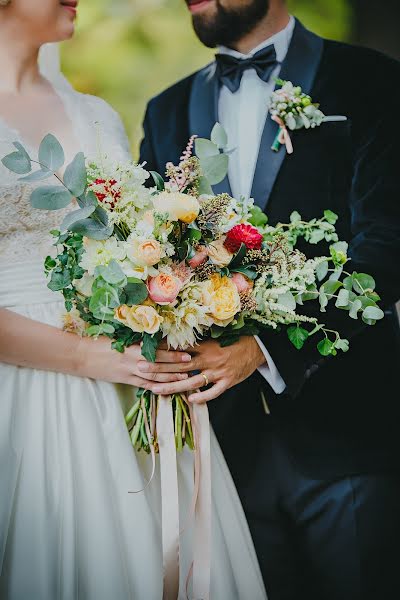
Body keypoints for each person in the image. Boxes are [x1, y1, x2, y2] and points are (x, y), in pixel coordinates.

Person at [0, 1, 268, 599]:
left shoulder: (95, 115)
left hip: (136, 384)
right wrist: (87, 358)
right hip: (23, 388)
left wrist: (182, 289)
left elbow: (133, 238)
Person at [139, 1, 400, 599]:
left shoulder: (372, 81)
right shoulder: (167, 111)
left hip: (349, 436)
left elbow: (387, 246)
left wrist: (262, 348)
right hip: (222, 457)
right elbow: (150, 253)